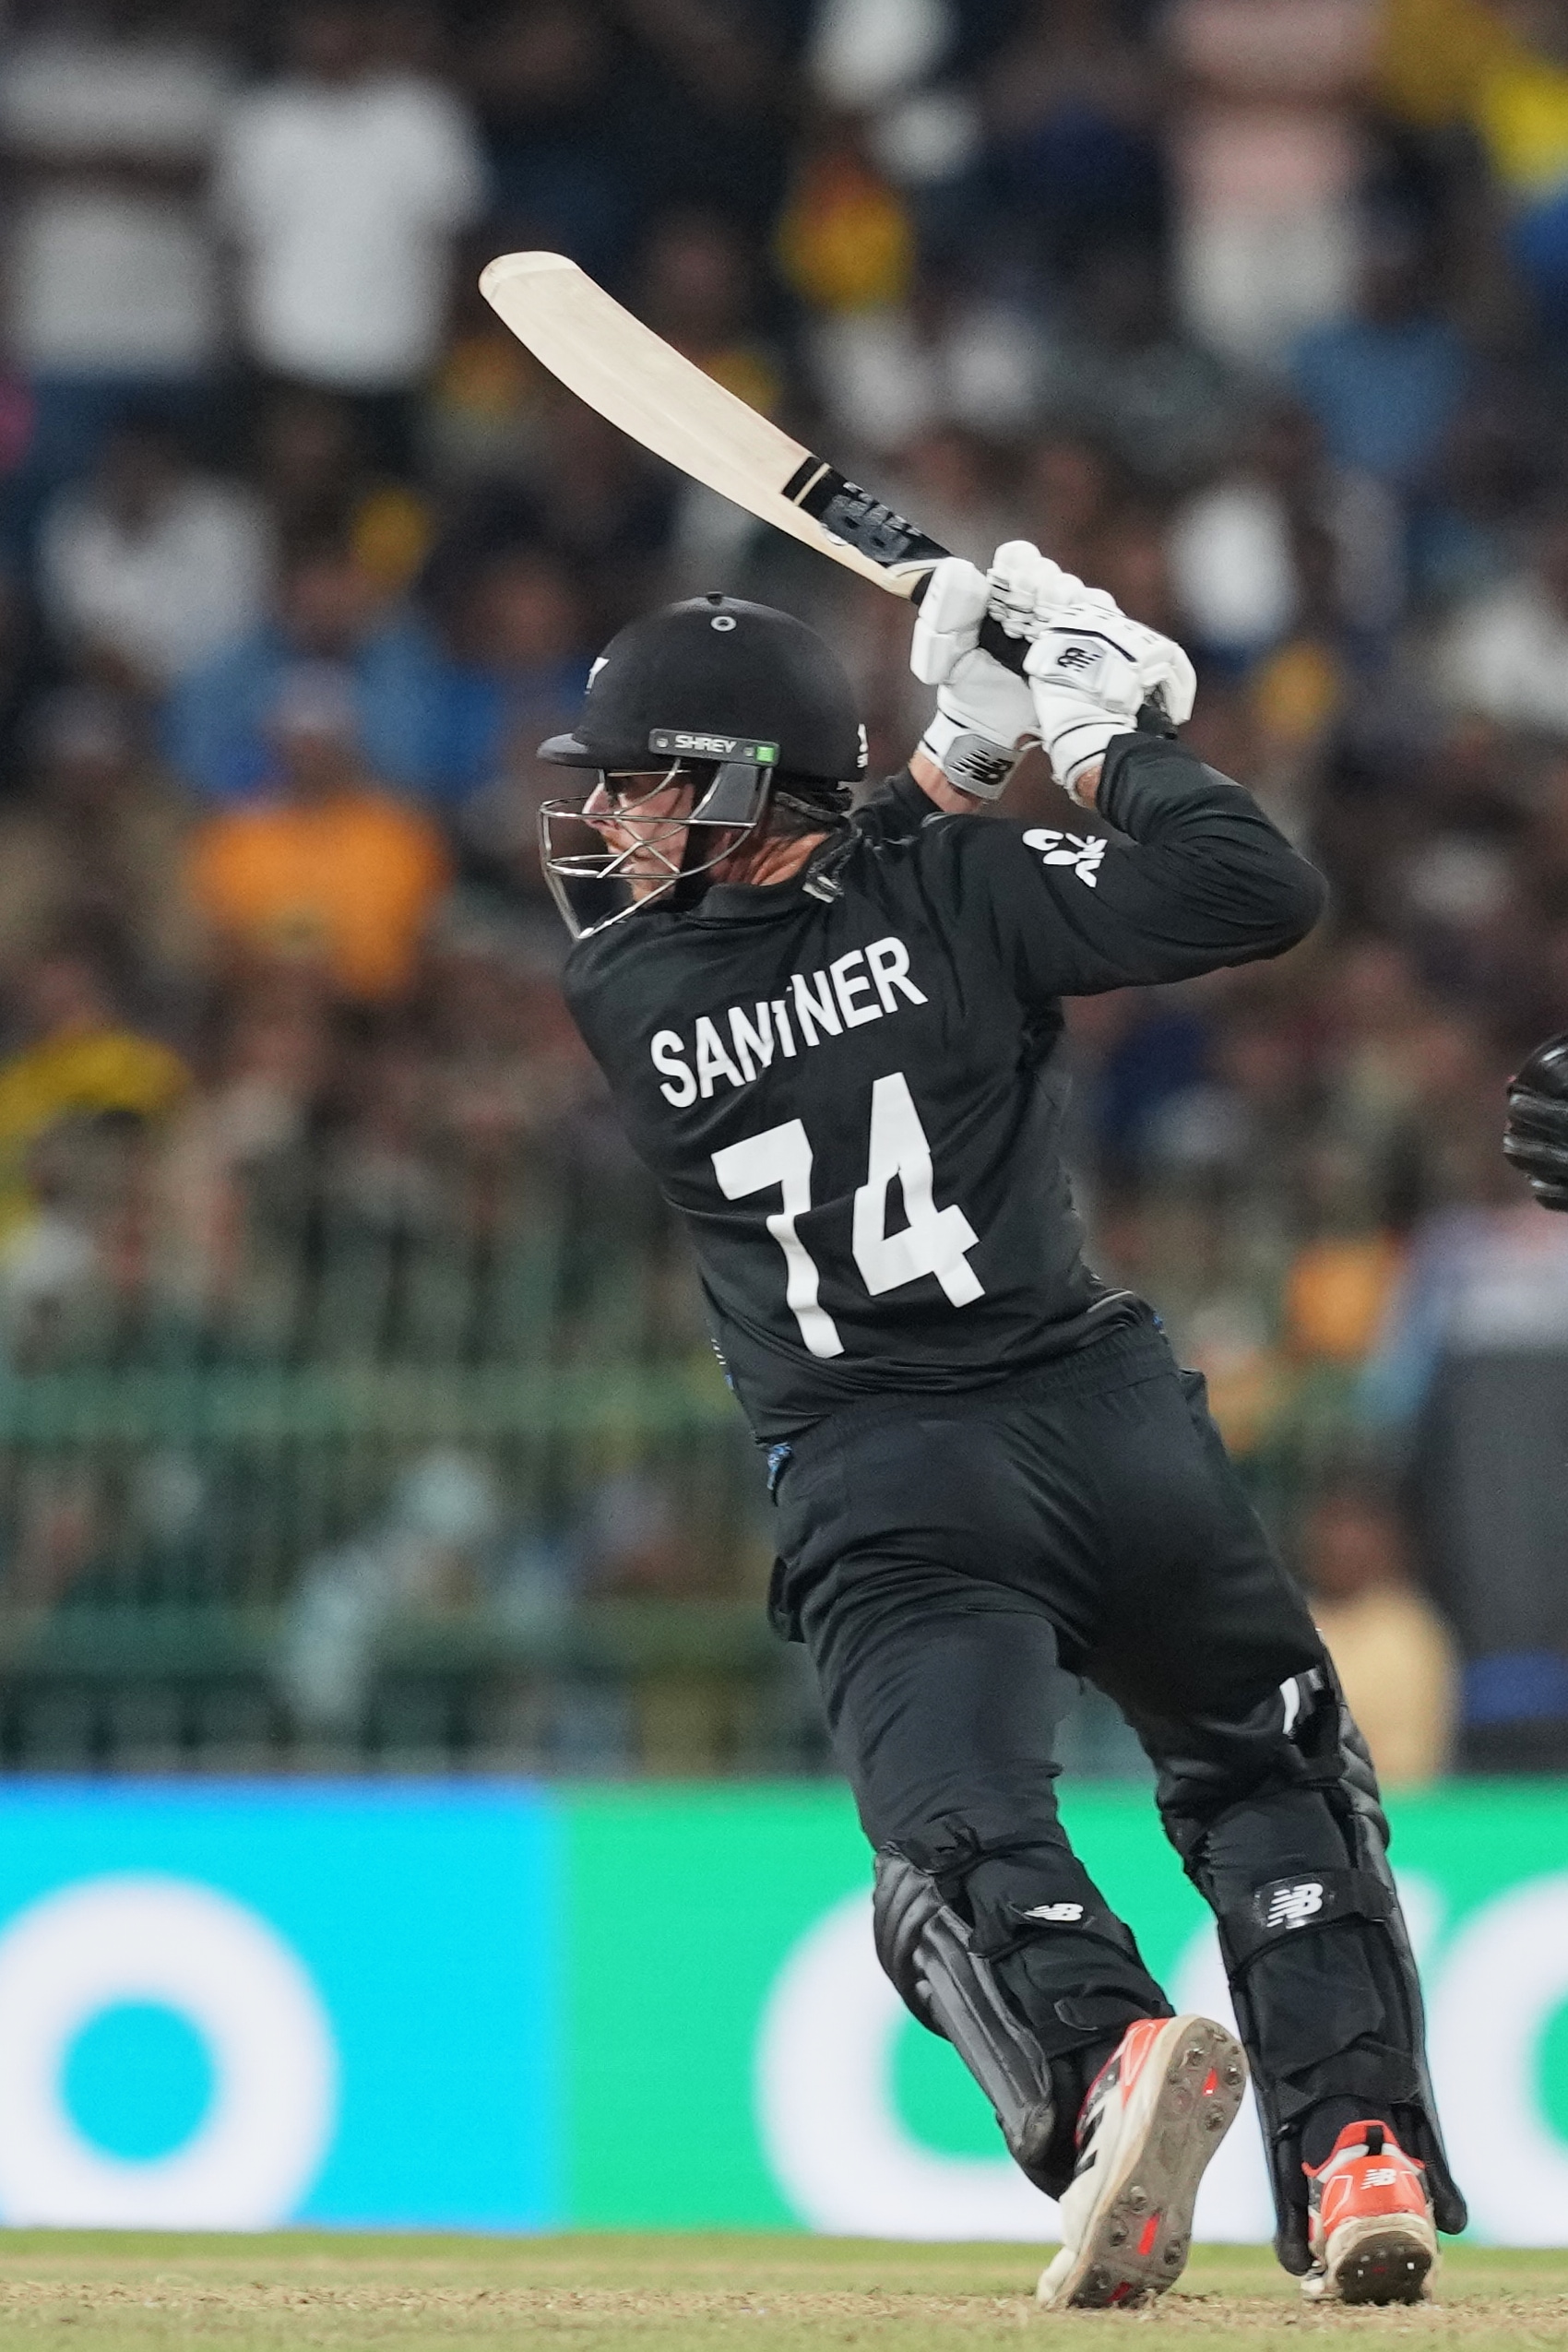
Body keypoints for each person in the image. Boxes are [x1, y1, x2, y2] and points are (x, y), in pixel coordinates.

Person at [533, 552, 1465, 2308]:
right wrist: (1106, 743)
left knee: (955, 1849)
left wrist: (966, 741)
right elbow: (1254, 888)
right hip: (1110, 1424)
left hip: (889, 1476)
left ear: (736, 792)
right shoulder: (961, 893)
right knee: (1271, 1777)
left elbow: (831, 912)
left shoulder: (632, 999)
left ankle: (1110, 2064)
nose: (611, 821)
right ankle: (1358, 2150)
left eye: (643, 781)